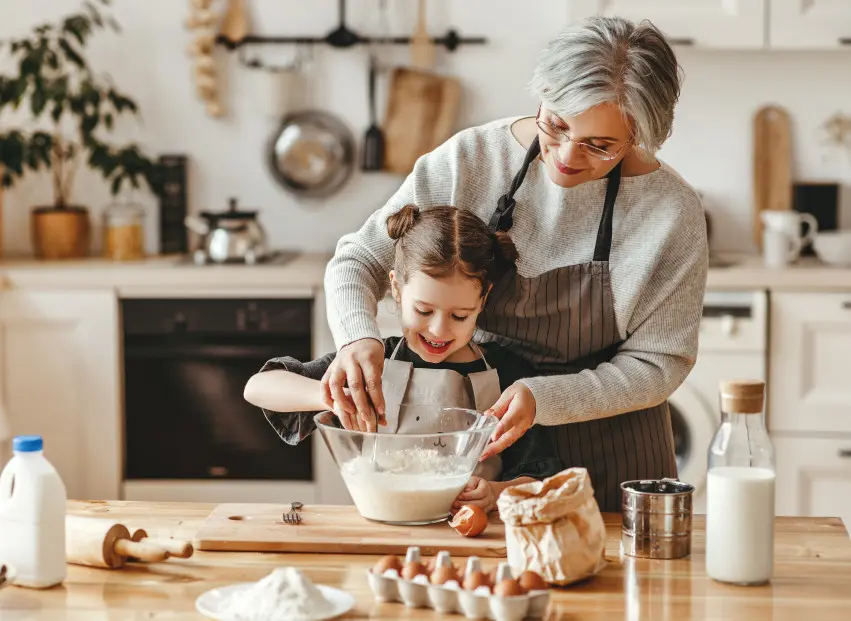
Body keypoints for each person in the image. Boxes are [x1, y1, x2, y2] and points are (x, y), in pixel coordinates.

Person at [318, 16, 709, 512]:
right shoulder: (470, 161)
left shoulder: (670, 213)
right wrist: (357, 335)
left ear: (642, 136)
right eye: (557, 124)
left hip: (615, 456)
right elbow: (359, 259)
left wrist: (543, 397)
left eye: (600, 145)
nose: (567, 155)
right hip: (481, 460)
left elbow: (660, 363)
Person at [244, 205, 556, 513]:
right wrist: (330, 396)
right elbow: (258, 387)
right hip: (384, 532)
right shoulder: (368, 367)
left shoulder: (510, 376)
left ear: (483, 299)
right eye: (423, 310)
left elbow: (542, 478)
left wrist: (496, 493)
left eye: (460, 316)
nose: (439, 329)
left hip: (476, 542)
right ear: (396, 288)